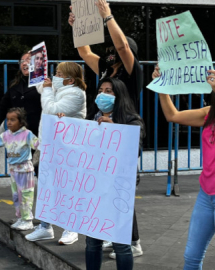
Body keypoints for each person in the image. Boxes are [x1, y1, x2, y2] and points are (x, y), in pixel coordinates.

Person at [153, 62, 215, 269]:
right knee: (191, 257)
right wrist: (161, 86)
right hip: (206, 195)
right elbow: (173, 116)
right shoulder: (210, 112)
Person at [69, 0, 144, 258]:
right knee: (104, 186)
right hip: (101, 135)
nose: (111, 52)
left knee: (121, 187)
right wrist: (77, 27)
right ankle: (115, 235)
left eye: (115, 49)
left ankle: (132, 241)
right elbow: (84, 52)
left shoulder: (133, 72)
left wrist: (107, 16)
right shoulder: (105, 72)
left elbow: (123, 46)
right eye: (108, 49)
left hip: (121, 132)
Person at [83, 77, 144, 270]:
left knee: (121, 244)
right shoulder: (91, 119)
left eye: (109, 91)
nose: (103, 94)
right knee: (92, 241)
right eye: (101, 90)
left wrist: (114, 129)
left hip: (118, 187)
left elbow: (135, 149)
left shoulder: (131, 120)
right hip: (94, 185)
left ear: (119, 95)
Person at [25, 61, 86, 245]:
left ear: (70, 79)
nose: (55, 76)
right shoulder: (58, 90)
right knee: (46, 187)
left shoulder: (76, 94)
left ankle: (71, 228)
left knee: (67, 189)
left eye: (59, 73)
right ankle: (45, 226)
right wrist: (35, 69)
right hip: (50, 147)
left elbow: (51, 109)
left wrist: (48, 89)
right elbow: (40, 88)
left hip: (68, 150)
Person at [0, 107, 39, 231]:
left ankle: (28, 219)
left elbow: (37, 144)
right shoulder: (6, 135)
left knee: (26, 195)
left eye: (13, 120)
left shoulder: (27, 134)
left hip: (25, 170)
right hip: (13, 170)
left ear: (21, 122)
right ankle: (20, 217)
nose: (9, 122)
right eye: (7, 120)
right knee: (16, 195)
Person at [0, 52, 42, 139]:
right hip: (19, 135)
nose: (24, 63)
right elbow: (3, 107)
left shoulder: (44, 83)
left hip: (40, 134)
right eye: (22, 61)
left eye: (28, 60)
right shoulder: (15, 85)